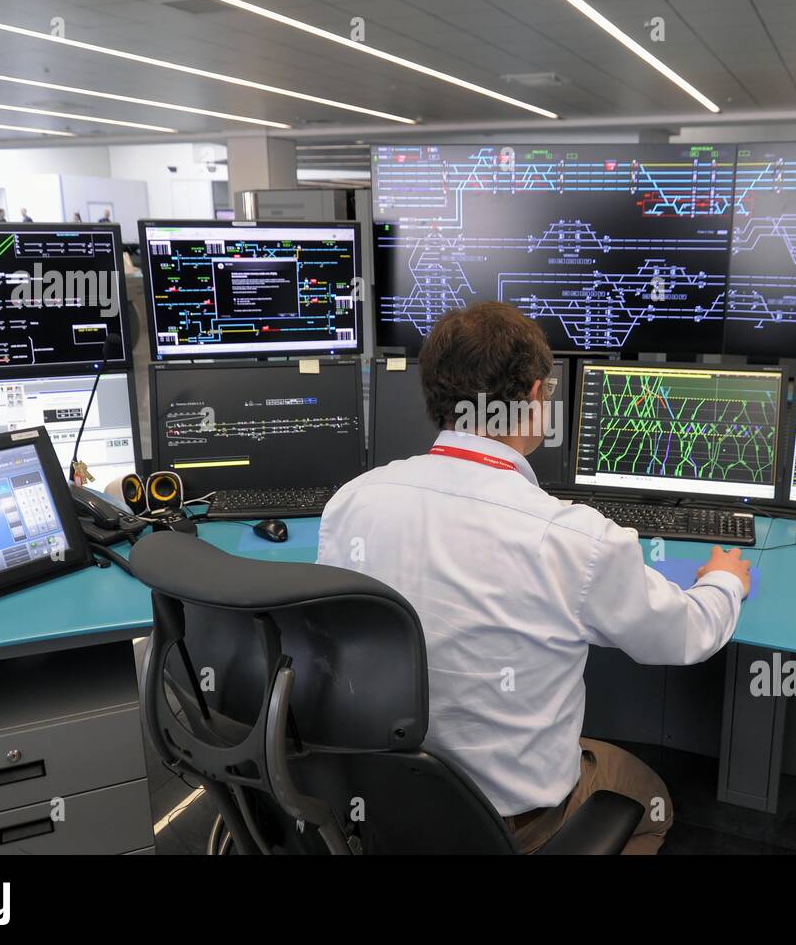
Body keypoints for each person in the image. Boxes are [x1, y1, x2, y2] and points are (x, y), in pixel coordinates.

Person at [316, 301, 750, 854]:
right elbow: (685, 635)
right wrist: (724, 580)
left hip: (384, 804)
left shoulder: (353, 501)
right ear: (537, 396)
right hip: (508, 823)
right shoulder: (576, 539)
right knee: (650, 797)